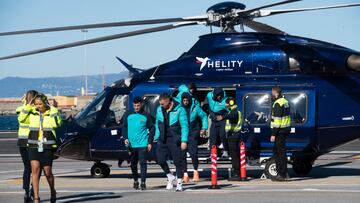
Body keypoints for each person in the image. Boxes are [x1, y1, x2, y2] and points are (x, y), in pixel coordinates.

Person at [19, 94, 62, 203]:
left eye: (40, 104)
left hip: (47, 146)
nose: (38, 106)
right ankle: (36, 198)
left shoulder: (51, 113)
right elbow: (21, 119)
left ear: (45, 103)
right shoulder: (31, 113)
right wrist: (28, 107)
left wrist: (53, 110)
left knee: (48, 173)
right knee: (35, 170)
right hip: (33, 146)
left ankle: (53, 191)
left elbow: (56, 124)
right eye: (36, 104)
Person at [154, 93, 188, 191]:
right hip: (162, 138)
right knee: (160, 160)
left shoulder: (179, 109)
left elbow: (185, 126)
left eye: (163, 104)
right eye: (160, 104)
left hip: (174, 139)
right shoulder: (159, 109)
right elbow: (157, 123)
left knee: (177, 162)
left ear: (169, 102)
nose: (161, 106)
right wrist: (157, 135)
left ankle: (179, 183)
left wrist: (184, 140)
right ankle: (170, 176)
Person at [122, 96, 154, 190]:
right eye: (135, 105)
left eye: (138, 105)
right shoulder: (128, 114)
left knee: (143, 163)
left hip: (143, 144)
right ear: (133, 105)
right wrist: (125, 138)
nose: (136, 107)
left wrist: (150, 142)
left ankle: (143, 183)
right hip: (131, 144)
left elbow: (152, 128)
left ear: (141, 104)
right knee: (133, 164)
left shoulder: (146, 115)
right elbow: (124, 127)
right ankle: (135, 180)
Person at [180, 92, 208, 183]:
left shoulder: (195, 108)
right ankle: (185, 175)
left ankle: (195, 171)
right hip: (183, 133)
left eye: (187, 100)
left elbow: (204, 116)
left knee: (193, 153)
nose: (185, 102)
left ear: (190, 100)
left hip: (193, 132)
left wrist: (204, 128)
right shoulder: (179, 109)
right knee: (182, 154)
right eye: (184, 100)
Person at [16, 90, 38, 202]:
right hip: (32, 140)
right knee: (36, 168)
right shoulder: (35, 110)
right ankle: (33, 191)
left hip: (23, 141)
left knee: (28, 168)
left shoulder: (20, 108)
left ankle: (26, 193)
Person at [270, 86, 291, 181]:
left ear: (276, 92)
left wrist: (273, 134)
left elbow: (277, 121)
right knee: (281, 152)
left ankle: (281, 174)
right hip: (285, 129)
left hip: (279, 131)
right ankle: (284, 173)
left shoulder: (278, 103)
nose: (272, 94)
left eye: (272, 92)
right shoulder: (285, 101)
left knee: (279, 153)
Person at [206, 87, 229, 158]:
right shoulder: (209, 95)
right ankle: (212, 152)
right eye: (217, 95)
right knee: (213, 136)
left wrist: (223, 116)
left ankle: (226, 151)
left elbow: (230, 112)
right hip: (214, 119)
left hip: (222, 119)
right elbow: (208, 105)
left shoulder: (225, 100)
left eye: (220, 95)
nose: (219, 97)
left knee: (223, 135)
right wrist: (211, 113)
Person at [224, 97, 243, 181]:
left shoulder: (234, 112)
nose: (225, 105)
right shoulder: (235, 111)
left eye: (227, 103)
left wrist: (224, 117)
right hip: (234, 135)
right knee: (236, 155)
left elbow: (232, 117)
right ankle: (238, 172)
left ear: (231, 103)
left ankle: (236, 174)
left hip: (233, 136)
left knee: (234, 155)